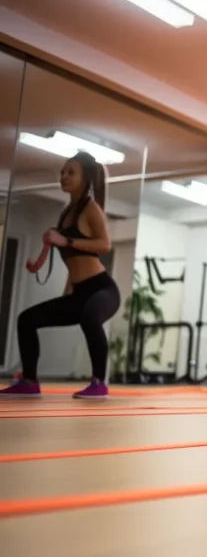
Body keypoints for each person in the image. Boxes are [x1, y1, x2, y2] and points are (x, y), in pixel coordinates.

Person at [0, 152, 120, 400]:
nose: (64, 176)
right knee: (27, 319)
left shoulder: (91, 209)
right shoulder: (66, 213)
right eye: (63, 171)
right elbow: (71, 259)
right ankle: (30, 381)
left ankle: (99, 383)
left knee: (89, 316)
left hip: (102, 290)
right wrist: (41, 265)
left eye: (71, 172)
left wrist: (65, 239)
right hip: (79, 292)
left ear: (85, 178)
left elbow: (104, 245)